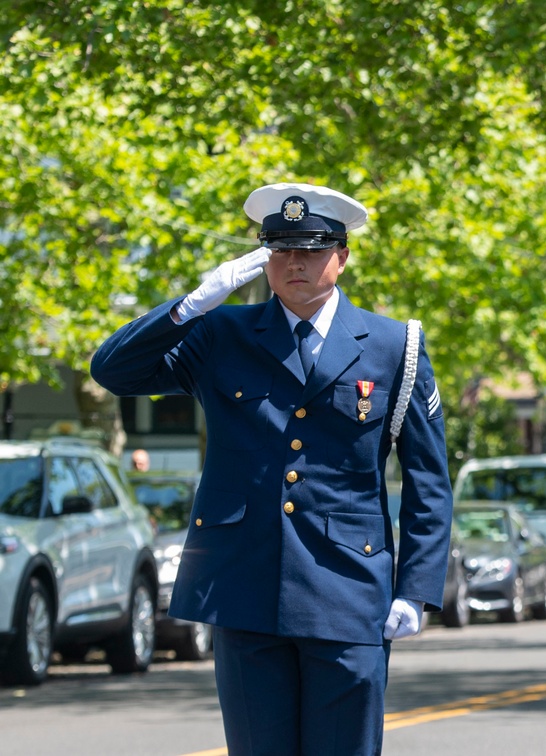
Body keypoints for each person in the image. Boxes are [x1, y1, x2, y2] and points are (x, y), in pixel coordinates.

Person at [91, 182, 454, 756]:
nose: (294, 263)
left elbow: (428, 482)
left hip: (347, 589)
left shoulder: (394, 345)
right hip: (244, 584)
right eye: (279, 250)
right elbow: (114, 371)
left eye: (310, 248)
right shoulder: (219, 333)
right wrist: (191, 305)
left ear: (342, 255)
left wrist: (415, 588)